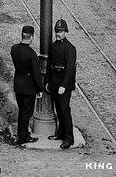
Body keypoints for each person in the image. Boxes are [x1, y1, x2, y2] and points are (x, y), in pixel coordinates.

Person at [10, 24, 44, 145]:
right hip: (29, 87)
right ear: (32, 37)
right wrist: (40, 89)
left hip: (18, 84)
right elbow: (36, 73)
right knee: (26, 113)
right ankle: (24, 136)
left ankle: (22, 134)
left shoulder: (14, 49)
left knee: (22, 110)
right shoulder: (31, 53)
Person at [47, 18, 77, 149]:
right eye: (56, 31)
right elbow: (49, 64)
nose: (58, 34)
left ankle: (69, 138)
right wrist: (48, 81)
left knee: (65, 110)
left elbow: (69, 69)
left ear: (65, 32)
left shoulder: (70, 48)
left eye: (60, 31)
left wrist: (63, 85)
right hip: (54, 81)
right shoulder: (53, 46)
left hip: (64, 84)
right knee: (58, 109)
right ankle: (60, 133)